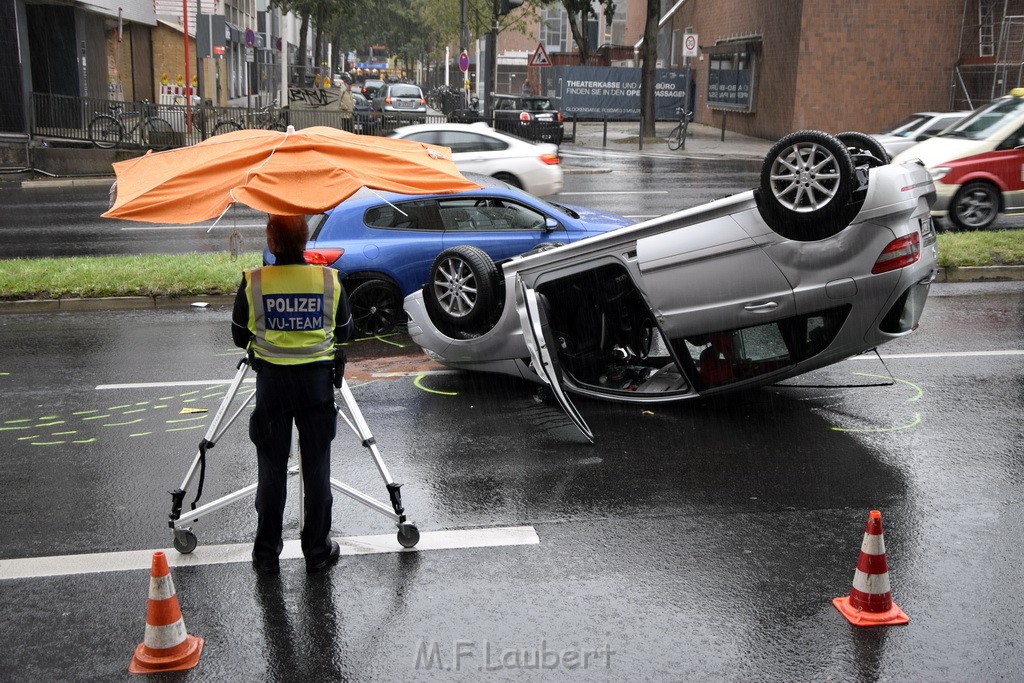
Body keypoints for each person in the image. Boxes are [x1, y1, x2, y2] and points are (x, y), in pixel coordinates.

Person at [232, 214, 353, 575]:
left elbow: (240, 336)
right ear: (304, 241)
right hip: (316, 387)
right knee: (317, 473)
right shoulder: (328, 280)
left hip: (272, 388)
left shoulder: (254, 282)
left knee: (272, 473)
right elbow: (345, 332)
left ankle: (266, 555)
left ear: (272, 241)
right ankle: (317, 551)